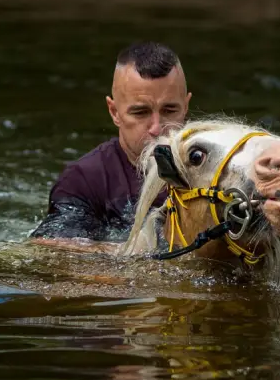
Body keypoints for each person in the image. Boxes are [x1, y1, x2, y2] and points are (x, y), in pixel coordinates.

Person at [30, 42, 192, 241]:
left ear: (185, 107)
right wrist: (142, 252)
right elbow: (53, 246)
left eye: (169, 111)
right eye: (140, 112)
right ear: (114, 112)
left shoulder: (216, 169)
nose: (157, 128)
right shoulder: (84, 180)